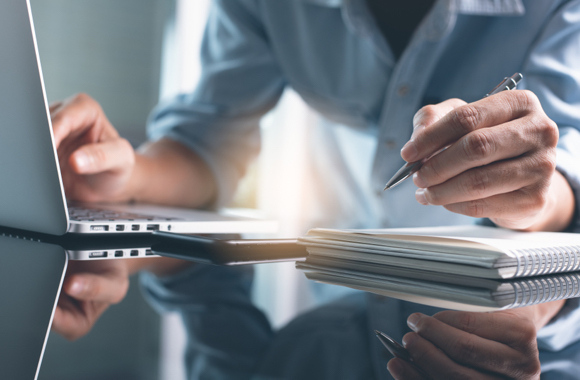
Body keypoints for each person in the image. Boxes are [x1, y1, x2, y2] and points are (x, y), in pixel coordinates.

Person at [50, 0, 580, 378]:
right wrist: (130, 174)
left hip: (509, 287)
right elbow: (209, 138)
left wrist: (542, 193)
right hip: (343, 273)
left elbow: (562, 163)